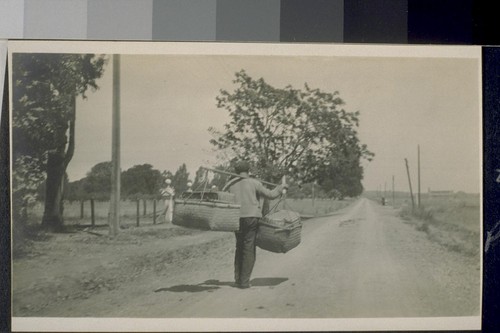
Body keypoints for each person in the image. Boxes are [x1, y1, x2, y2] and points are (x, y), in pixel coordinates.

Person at [224, 161, 286, 289]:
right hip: (251, 218)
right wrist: (280, 187)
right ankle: (244, 281)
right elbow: (271, 195)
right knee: (249, 247)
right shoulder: (254, 183)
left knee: (239, 247)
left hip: (235, 217)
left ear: (236, 171)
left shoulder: (230, 185)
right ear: (248, 170)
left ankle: (238, 279)